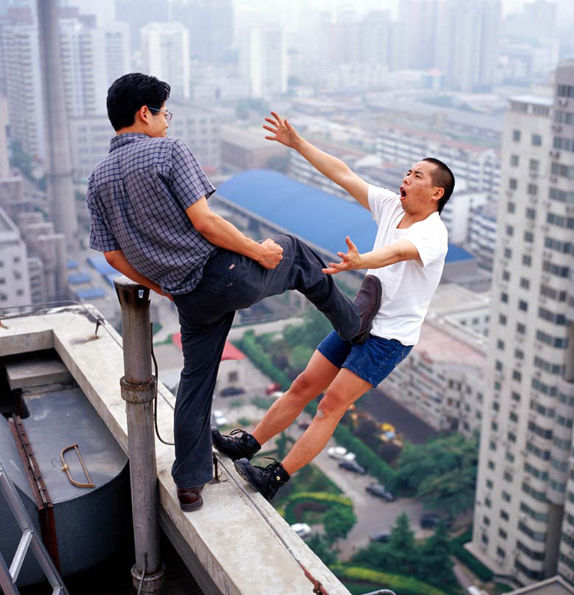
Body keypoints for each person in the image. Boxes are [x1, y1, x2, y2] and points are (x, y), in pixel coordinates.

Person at [86, 75, 380, 512]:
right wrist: (258, 251)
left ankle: (190, 486)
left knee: (195, 383)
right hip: (224, 273)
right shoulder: (169, 151)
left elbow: (113, 256)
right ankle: (354, 327)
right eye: (165, 113)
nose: (167, 121)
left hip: (188, 296)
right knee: (296, 253)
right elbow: (205, 222)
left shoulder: (97, 180)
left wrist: (163, 288)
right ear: (144, 113)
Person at [213, 112, 454, 501]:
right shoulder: (393, 207)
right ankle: (248, 443)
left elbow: (398, 252)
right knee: (303, 384)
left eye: (418, 176)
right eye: (408, 172)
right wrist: (297, 143)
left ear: (436, 193)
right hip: (359, 319)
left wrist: (361, 262)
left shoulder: (433, 234)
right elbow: (343, 175)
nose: (407, 178)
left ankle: (275, 477)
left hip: (389, 339)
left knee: (329, 406)